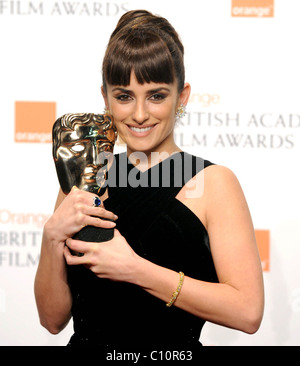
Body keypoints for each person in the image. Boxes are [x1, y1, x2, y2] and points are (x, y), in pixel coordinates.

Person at [34, 9, 264, 349]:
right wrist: (51, 238)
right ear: (105, 97)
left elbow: (247, 312)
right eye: (124, 96)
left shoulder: (214, 183)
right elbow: (52, 321)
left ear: (181, 96)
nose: (139, 114)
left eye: (156, 95)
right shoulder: (90, 176)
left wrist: (134, 269)